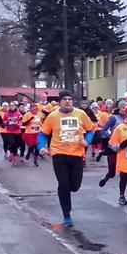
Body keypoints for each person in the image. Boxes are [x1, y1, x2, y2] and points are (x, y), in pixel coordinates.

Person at [38, 90, 96, 228]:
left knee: (75, 186)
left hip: (76, 154)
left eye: (70, 99)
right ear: (60, 102)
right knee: (63, 184)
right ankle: (66, 215)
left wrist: (87, 140)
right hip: (59, 154)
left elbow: (91, 130)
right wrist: (42, 147)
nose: (68, 101)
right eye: (65, 99)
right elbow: (43, 134)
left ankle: (66, 190)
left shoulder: (80, 114)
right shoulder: (52, 116)